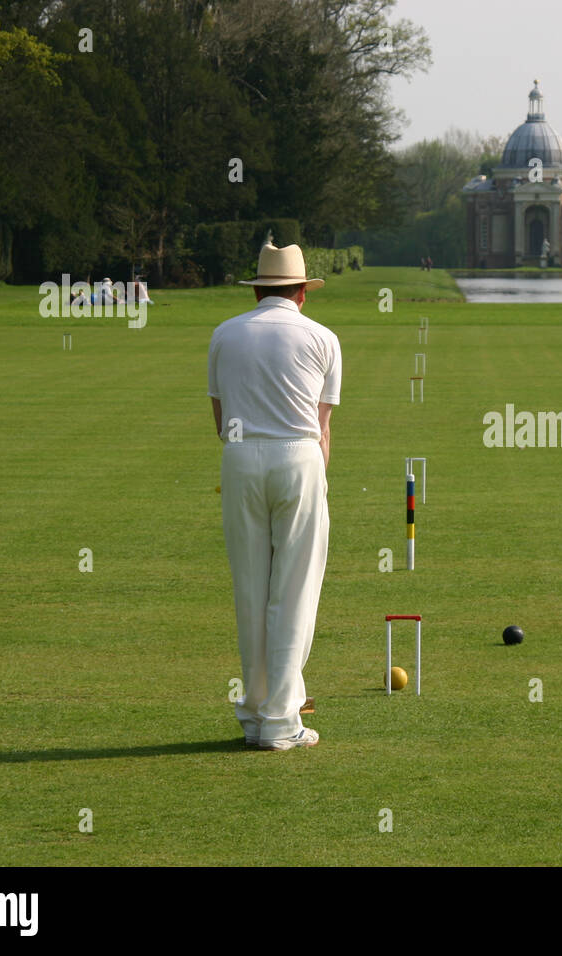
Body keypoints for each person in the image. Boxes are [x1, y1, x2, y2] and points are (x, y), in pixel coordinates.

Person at [207, 243, 341, 752]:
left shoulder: (225, 333)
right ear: (303, 292)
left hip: (240, 459)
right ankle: (281, 721)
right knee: (294, 590)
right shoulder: (324, 338)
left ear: (258, 289)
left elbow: (221, 422)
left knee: (251, 588)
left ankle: (256, 713)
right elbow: (323, 429)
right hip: (300, 459)